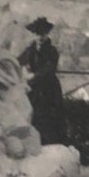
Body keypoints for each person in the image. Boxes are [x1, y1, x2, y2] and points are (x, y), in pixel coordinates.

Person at [19, 17, 67, 145]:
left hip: (49, 91)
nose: (40, 37)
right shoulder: (30, 50)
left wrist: (32, 77)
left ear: (47, 34)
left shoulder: (52, 51)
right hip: (33, 91)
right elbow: (18, 62)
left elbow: (49, 71)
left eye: (43, 33)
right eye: (37, 33)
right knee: (33, 118)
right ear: (34, 34)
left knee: (49, 120)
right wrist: (24, 70)